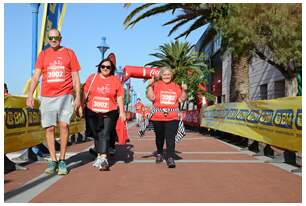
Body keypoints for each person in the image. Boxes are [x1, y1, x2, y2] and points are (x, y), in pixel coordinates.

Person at [26, 28, 81, 175]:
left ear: (61, 38)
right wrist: (30, 95)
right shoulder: (43, 54)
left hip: (65, 95)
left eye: (56, 38)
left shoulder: (70, 53)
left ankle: (62, 160)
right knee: (49, 128)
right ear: (48, 39)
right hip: (47, 97)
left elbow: (76, 77)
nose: (53, 40)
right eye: (51, 38)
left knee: (64, 125)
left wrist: (78, 98)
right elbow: (36, 76)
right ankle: (53, 160)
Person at [83, 58, 125, 171]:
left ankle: (104, 158)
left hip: (110, 111)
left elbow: (120, 96)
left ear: (112, 69)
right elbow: (85, 92)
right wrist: (80, 106)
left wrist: (122, 112)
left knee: (105, 133)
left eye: (108, 67)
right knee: (97, 134)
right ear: (99, 67)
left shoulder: (115, 80)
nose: (105, 69)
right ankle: (99, 156)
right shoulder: (92, 78)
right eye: (103, 66)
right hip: (92, 110)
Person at [146, 67, 187, 168]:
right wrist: (150, 86)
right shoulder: (156, 85)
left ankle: (170, 157)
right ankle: (159, 153)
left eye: (168, 74)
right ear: (161, 76)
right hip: (158, 117)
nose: (166, 76)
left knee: (170, 137)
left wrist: (184, 90)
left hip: (172, 117)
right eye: (164, 74)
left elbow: (181, 99)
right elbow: (151, 98)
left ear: (171, 75)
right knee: (159, 137)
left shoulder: (176, 86)